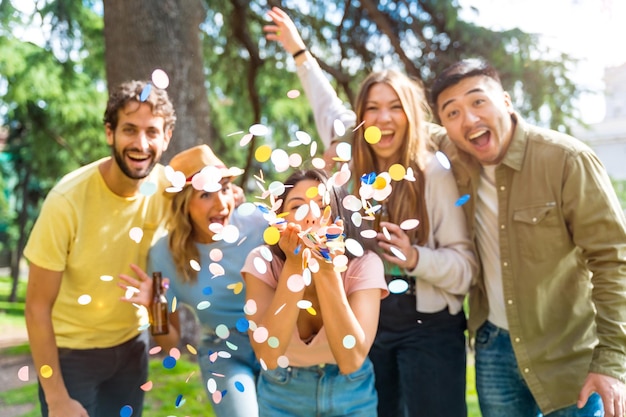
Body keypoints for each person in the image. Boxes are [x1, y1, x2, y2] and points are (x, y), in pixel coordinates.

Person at [264, 8, 478, 417]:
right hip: (367, 319)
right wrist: (298, 50)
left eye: (395, 107)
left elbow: (465, 268)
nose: (383, 118)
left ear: (411, 114)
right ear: (361, 117)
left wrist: (415, 258)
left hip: (428, 324)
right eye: (373, 108)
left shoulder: (434, 172)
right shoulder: (350, 159)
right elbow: (325, 104)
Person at [429, 58, 626, 417]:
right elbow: (388, 122)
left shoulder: (567, 159)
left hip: (568, 354)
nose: (468, 119)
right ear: (443, 125)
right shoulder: (452, 156)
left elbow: (614, 260)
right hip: (493, 351)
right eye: (452, 112)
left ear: (505, 100)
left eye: (478, 101)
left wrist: (612, 361)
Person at [23, 80, 175, 417]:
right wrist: (57, 397)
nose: (140, 143)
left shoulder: (167, 188)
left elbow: (207, 162)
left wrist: (157, 313)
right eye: (129, 130)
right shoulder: (67, 200)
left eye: (152, 132)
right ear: (110, 133)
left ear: (166, 138)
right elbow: (36, 308)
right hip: (72, 357)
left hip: (132, 351)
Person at [119, 144, 266, 417]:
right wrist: (155, 309)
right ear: (184, 202)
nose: (221, 204)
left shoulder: (258, 223)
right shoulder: (164, 256)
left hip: (278, 339)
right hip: (225, 353)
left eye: (224, 189)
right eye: (206, 194)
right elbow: (169, 343)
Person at [241, 168, 388, 416]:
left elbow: (351, 360)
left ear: (339, 217)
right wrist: (295, 265)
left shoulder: (365, 263)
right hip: (282, 393)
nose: (310, 217)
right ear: (279, 220)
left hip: (351, 393)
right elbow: (268, 354)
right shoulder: (262, 261)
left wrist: (326, 269)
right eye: (297, 206)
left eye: (322, 206)